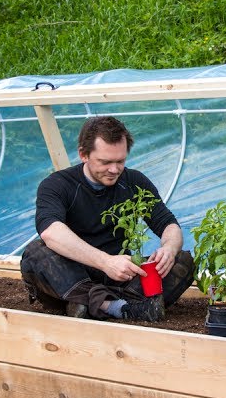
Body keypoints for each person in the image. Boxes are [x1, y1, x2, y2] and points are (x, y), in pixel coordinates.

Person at [20, 115, 196, 321]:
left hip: (121, 277)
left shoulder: (133, 182)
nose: (114, 170)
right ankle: (119, 306)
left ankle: (96, 305)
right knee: (35, 253)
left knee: (182, 260)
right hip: (70, 279)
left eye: (120, 161)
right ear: (83, 155)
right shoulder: (58, 184)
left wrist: (169, 249)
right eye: (105, 162)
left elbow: (168, 224)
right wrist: (105, 262)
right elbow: (51, 232)